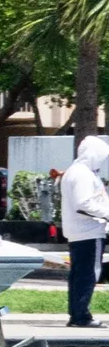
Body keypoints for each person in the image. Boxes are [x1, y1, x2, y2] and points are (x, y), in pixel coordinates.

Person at [64, 134, 109, 329]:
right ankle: (81, 316)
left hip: (78, 231)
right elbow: (84, 203)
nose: (102, 160)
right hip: (88, 231)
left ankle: (77, 313)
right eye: (101, 156)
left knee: (79, 274)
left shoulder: (74, 171)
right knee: (89, 273)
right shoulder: (83, 174)